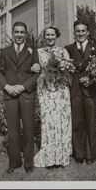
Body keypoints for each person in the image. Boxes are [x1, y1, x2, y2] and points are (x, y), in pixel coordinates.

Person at [0, 21, 40, 173]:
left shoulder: (32, 50)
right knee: (13, 130)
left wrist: (23, 86)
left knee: (28, 129)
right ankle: (14, 163)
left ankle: (28, 163)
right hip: (10, 95)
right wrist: (7, 87)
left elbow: (37, 73)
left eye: (22, 32)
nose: (19, 35)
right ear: (13, 34)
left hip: (26, 94)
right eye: (17, 32)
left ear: (25, 34)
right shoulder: (5, 51)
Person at [31, 26, 72, 168]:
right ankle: (49, 154)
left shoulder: (63, 51)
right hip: (45, 89)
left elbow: (69, 69)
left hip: (61, 89)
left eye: (52, 35)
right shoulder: (38, 52)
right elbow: (34, 68)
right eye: (47, 35)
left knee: (61, 119)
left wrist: (64, 67)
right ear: (44, 36)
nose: (49, 37)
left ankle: (62, 155)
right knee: (48, 120)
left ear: (56, 36)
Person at [64, 20, 96, 164]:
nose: (80, 33)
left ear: (88, 32)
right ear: (74, 33)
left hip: (91, 89)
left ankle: (90, 155)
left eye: (83, 31)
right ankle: (79, 154)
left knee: (91, 122)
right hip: (75, 90)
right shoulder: (68, 49)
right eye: (77, 31)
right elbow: (65, 70)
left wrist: (91, 79)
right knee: (77, 122)